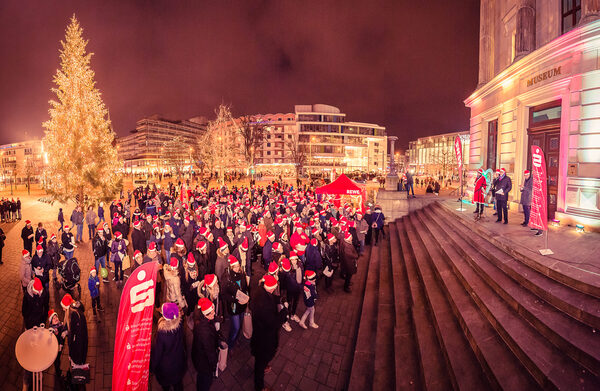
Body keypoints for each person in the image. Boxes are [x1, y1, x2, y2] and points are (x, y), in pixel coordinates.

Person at [250, 274, 287, 391]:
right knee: (261, 361)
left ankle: (262, 365)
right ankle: (259, 387)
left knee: (261, 359)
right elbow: (273, 324)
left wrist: (278, 299)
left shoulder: (260, 290)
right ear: (272, 287)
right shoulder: (264, 305)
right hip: (264, 339)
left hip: (259, 334)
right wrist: (284, 312)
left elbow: (270, 297)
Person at [150, 303, 187, 391]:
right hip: (178, 363)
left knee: (166, 387)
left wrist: (152, 367)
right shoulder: (179, 324)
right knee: (178, 385)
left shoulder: (162, 334)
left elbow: (157, 354)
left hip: (166, 369)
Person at [192, 298, 223, 391]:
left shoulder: (202, 318)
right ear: (206, 314)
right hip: (204, 362)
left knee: (201, 377)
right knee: (205, 380)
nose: (214, 314)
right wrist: (214, 364)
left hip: (199, 357)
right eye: (212, 313)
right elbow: (209, 351)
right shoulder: (205, 332)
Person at [221, 255, 250, 349]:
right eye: (235, 266)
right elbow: (224, 294)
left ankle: (236, 338)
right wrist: (235, 299)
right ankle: (230, 344)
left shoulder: (242, 274)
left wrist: (246, 296)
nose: (238, 268)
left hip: (242, 305)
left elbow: (246, 288)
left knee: (239, 324)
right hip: (233, 307)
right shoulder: (227, 278)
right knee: (236, 327)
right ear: (231, 266)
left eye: (238, 266)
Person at [47, 310, 68, 377]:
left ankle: (58, 368)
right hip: (56, 347)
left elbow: (64, 330)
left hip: (60, 345)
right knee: (57, 359)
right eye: (54, 318)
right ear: (51, 321)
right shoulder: (52, 329)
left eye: (56, 317)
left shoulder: (60, 325)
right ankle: (58, 371)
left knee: (59, 357)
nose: (56, 319)